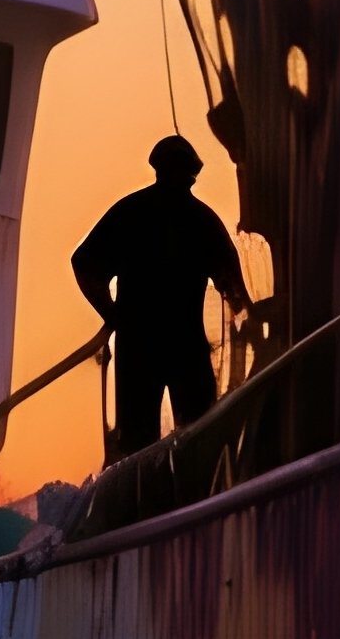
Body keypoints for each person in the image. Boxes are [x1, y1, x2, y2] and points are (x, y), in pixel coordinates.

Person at [72, 135, 251, 454]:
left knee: (155, 443)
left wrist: (114, 316)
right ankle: (191, 500)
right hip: (176, 345)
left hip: (147, 346)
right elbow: (235, 293)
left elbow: (85, 265)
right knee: (196, 441)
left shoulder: (133, 213)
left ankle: (160, 501)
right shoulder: (199, 220)